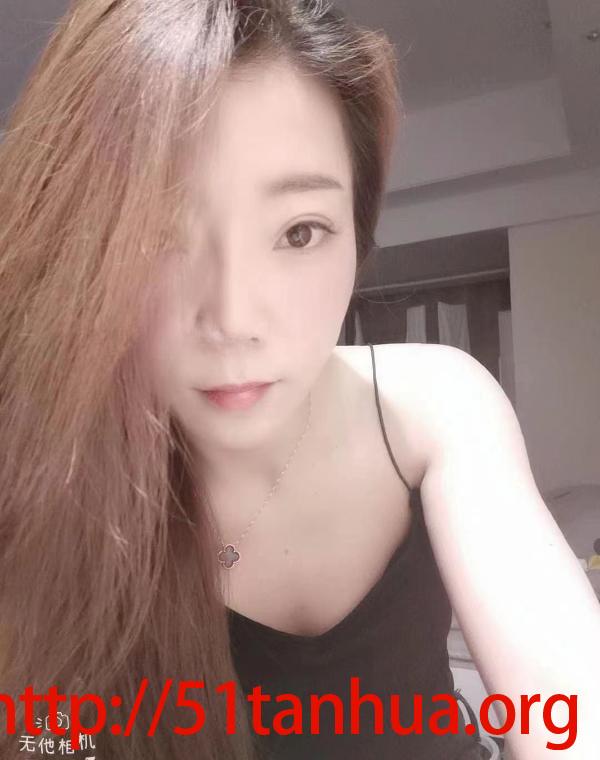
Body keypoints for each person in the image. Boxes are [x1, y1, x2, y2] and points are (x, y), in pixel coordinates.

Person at [0, 1, 598, 759]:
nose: (233, 318)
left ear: (359, 238)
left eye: (299, 231)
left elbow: (570, 707)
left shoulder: (432, 403)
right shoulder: (52, 483)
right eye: (153, 240)